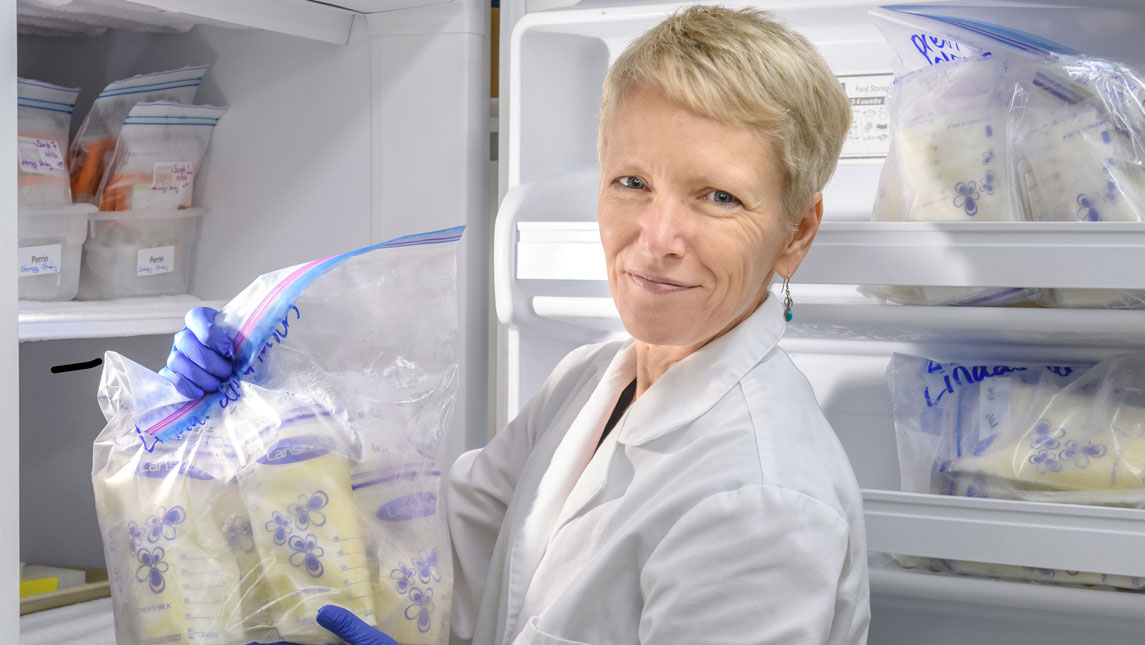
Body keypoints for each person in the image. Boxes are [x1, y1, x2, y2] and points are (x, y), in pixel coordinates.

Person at [162, 5, 869, 644]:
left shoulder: (763, 500)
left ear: (795, 233)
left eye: (716, 196)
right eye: (632, 182)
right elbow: (426, 549)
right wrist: (258, 418)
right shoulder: (591, 381)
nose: (656, 237)